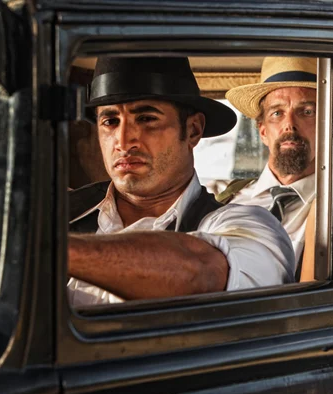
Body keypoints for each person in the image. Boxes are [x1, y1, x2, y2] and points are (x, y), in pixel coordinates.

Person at [67, 56, 295, 306]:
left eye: (146, 119)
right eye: (110, 122)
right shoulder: (61, 211)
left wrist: (49, 250)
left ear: (193, 130)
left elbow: (201, 274)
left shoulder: (248, 226)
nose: (123, 141)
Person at [221, 57, 317, 281]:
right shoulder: (228, 201)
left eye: (307, 112)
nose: (289, 124)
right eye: (277, 113)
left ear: (328, 124)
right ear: (263, 132)